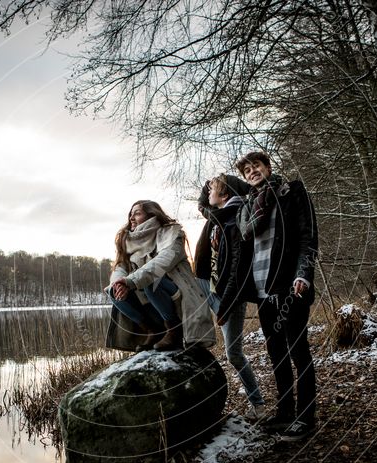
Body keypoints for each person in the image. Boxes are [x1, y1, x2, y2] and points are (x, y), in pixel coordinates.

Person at [236, 151, 319, 439]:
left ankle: (306, 418)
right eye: (246, 170)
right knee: (276, 354)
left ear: (268, 167)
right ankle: (285, 413)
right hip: (262, 291)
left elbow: (308, 237)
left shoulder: (291, 191)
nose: (251, 172)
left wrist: (303, 274)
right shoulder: (250, 205)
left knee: (299, 351)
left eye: (256, 165)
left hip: (290, 286)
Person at [194, 174, 265, 420]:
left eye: (212, 189)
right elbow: (202, 204)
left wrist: (224, 307)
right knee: (185, 289)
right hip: (209, 287)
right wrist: (209, 184)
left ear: (224, 196)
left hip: (230, 295)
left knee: (234, 354)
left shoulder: (235, 220)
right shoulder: (216, 217)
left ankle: (258, 404)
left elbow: (237, 269)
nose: (207, 193)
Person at [106, 200, 215, 351]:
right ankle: (153, 331)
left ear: (152, 215)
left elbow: (159, 264)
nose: (131, 218)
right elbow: (120, 266)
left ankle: (174, 330)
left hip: (177, 299)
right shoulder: (127, 241)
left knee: (152, 281)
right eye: (130, 214)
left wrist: (130, 281)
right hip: (150, 304)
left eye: (137, 213)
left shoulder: (173, 234)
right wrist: (119, 283)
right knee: (113, 290)